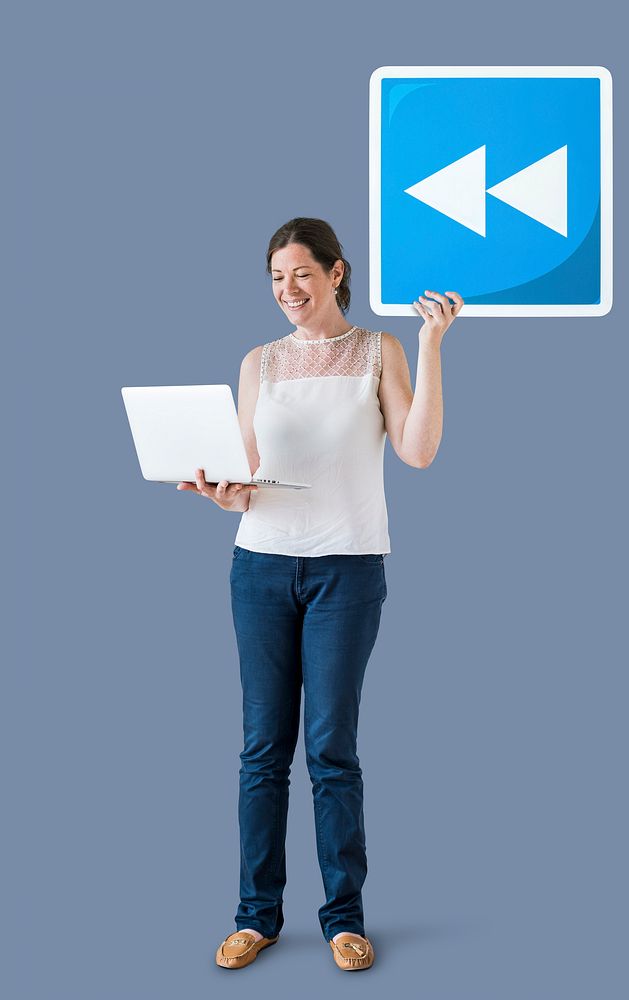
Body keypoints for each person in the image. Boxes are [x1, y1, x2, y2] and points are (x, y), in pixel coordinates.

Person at [177, 217, 463, 971]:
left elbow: (418, 451)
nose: (287, 291)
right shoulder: (258, 362)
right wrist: (220, 493)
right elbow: (245, 475)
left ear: (336, 273)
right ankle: (255, 915)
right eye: (275, 279)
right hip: (260, 567)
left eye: (301, 274)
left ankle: (343, 918)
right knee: (261, 751)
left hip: (347, 570)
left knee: (331, 750)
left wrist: (431, 347)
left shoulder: (379, 349)